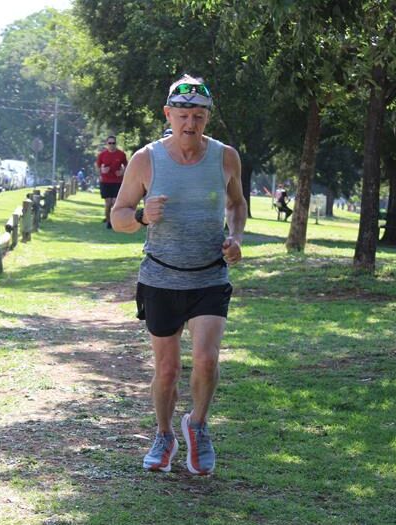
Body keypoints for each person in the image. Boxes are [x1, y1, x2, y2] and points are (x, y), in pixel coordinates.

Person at [111, 74, 247, 475]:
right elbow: (118, 216)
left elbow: (237, 204)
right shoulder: (146, 159)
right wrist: (141, 216)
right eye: (183, 115)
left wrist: (236, 237)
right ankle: (164, 434)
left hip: (209, 277)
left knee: (206, 359)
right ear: (168, 114)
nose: (191, 124)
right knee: (167, 370)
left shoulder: (225, 157)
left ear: (208, 118)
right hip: (161, 278)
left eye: (199, 116)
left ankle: (198, 427)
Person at [96, 135, 128, 229]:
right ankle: (108, 220)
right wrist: (101, 172)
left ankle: (113, 221)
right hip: (105, 181)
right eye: (110, 143)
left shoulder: (121, 154)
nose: (111, 145)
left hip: (117, 181)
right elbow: (98, 166)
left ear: (115, 143)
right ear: (107, 144)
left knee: (114, 202)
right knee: (108, 203)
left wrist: (122, 172)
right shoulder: (102, 155)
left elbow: (127, 165)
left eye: (113, 143)